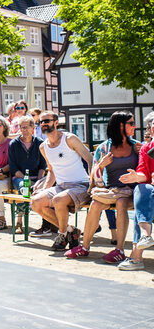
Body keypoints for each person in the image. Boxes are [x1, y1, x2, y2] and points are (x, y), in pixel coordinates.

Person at [65, 111, 139, 263]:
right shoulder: (104, 148)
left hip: (130, 191)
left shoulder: (137, 147)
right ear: (120, 126)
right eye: (131, 123)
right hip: (110, 190)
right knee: (96, 203)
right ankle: (84, 247)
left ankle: (120, 249)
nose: (135, 126)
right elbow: (94, 174)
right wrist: (101, 165)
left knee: (121, 202)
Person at [30, 111, 93, 251]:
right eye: (41, 122)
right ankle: (70, 230)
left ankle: (62, 235)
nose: (44, 124)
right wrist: (44, 189)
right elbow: (51, 171)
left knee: (58, 200)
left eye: (47, 121)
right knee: (35, 203)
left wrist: (93, 182)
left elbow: (90, 159)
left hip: (80, 185)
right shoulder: (43, 147)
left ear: (56, 122)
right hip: (61, 187)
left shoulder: (69, 139)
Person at [115, 111, 154, 270]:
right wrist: (135, 177)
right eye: (151, 126)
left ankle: (136, 257)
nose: (151, 129)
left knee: (142, 205)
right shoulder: (147, 148)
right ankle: (146, 236)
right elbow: (143, 172)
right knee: (141, 189)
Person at [8, 115, 48, 235]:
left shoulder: (40, 143)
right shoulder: (14, 144)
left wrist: (39, 181)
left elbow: (42, 165)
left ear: (33, 128)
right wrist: (27, 181)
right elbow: (13, 167)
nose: (23, 130)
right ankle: (19, 222)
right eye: (21, 127)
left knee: (46, 190)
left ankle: (46, 225)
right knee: (23, 188)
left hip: (37, 177)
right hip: (19, 177)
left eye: (26, 127)